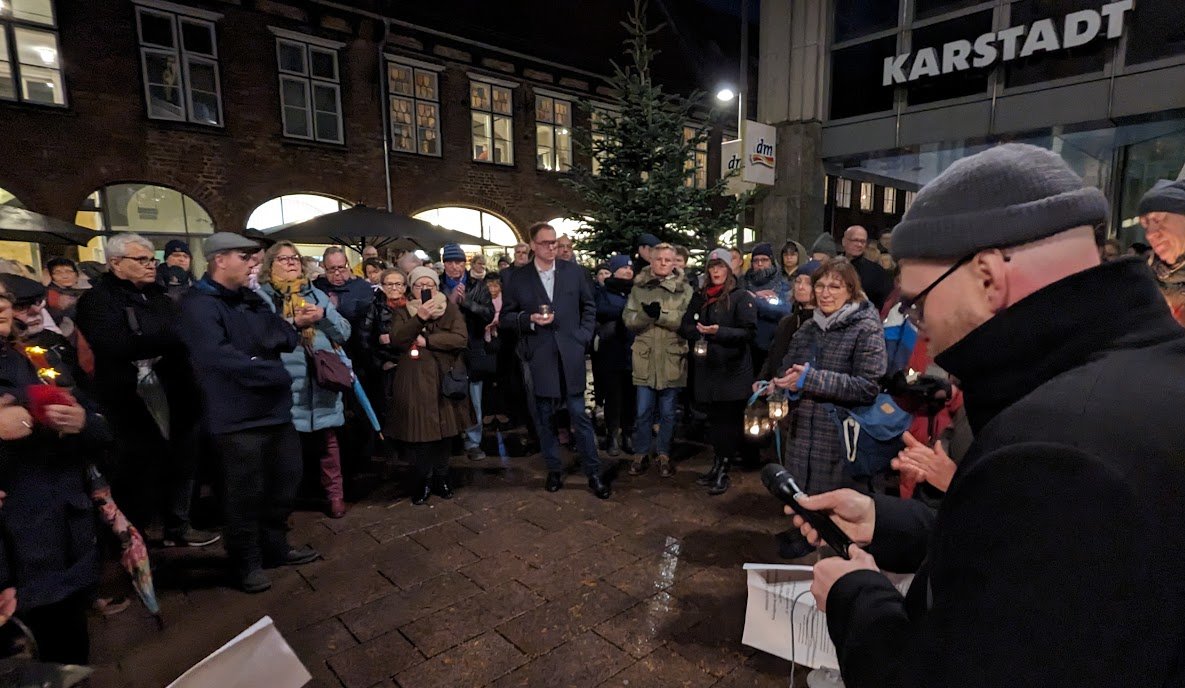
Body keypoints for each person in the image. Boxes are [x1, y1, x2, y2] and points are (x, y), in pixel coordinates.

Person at [787, 144, 1185, 688]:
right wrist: (888, 522)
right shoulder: (1140, 371)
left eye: (921, 301)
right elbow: (1017, 558)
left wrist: (855, 598)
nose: (921, 325)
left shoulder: (1058, 453)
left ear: (988, 277)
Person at [180, 233, 319, 593]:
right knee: (243, 494)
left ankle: (275, 547)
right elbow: (216, 357)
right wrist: (269, 368)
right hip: (236, 419)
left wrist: (291, 330)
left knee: (284, 484)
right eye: (246, 258)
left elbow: (281, 337)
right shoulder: (199, 305)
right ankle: (246, 562)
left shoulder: (251, 299)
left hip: (274, 412)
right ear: (220, 259)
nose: (253, 264)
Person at [75, 233, 216, 548]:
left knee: (183, 458)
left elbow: (182, 333)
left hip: (174, 390)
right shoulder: (98, 300)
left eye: (151, 259)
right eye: (141, 260)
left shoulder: (157, 296)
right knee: (140, 466)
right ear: (115, 263)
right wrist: (161, 340)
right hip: (127, 399)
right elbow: (116, 344)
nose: (151, 266)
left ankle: (178, 524)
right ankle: (138, 535)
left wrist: (156, 339)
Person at [0, 284, 112, 664]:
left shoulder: (31, 356)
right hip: (11, 552)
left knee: (68, 654)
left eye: (2, 296)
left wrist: (82, 421)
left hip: (61, 537)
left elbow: (99, 427)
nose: (0, 305)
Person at [769, 259, 887, 559]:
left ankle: (834, 548)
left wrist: (811, 379)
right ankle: (804, 534)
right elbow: (788, 367)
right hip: (802, 428)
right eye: (819, 285)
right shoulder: (809, 327)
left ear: (850, 289)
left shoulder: (866, 327)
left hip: (840, 434)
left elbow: (867, 385)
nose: (825, 292)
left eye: (834, 286)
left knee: (832, 500)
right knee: (802, 490)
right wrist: (779, 385)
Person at [501, 222, 610, 498]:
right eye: (547, 243)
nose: (553, 247)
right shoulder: (518, 278)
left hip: (570, 354)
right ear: (534, 245)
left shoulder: (573, 272)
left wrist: (583, 336)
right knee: (545, 418)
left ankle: (594, 472)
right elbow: (506, 318)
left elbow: (588, 305)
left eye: (555, 243)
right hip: (540, 355)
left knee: (580, 417)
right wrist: (530, 321)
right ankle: (553, 469)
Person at [256, 241, 352, 519]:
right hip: (287, 381)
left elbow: (344, 332)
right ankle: (284, 502)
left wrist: (322, 317)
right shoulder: (262, 299)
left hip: (321, 379)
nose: (290, 263)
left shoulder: (317, 295)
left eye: (294, 258)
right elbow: (261, 339)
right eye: (283, 259)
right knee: (286, 449)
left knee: (328, 443)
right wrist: (292, 325)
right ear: (270, 265)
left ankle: (335, 496)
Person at [383, 266, 472, 505]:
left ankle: (443, 477)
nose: (425, 289)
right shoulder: (403, 311)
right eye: (420, 286)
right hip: (414, 382)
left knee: (444, 433)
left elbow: (461, 338)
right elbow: (398, 338)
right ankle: (423, 479)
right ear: (412, 289)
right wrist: (419, 317)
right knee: (419, 435)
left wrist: (429, 340)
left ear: (436, 286)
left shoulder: (450, 309)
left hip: (444, 379)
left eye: (429, 285)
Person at [680, 248, 756, 496]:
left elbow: (747, 332)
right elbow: (685, 325)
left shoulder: (740, 296)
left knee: (728, 423)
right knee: (713, 422)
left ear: (729, 269)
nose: (716, 272)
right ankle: (716, 463)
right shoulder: (700, 297)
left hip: (731, 371)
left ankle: (724, 467)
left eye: (720, 266)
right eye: (712, 267)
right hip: (707, 370)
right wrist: (699, 331)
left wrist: (719, 332)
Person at [623, 243, 692, 477]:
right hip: (645, 357)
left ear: (674, 263)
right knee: (643, 410)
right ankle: (641, 453)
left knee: (668, 412)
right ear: (651, 262)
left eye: (667, 260)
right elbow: (628, 319)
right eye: (659, 259)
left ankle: (664, 453)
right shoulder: (638, 288)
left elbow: (684, 320)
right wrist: (644, 315)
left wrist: (659, 315)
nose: (663, 263)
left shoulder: (685, 289)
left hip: (671, 357)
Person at [439, 243, 494, 461]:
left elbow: (488, 314)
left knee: (475, 398)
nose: (455, 267)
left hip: (472, 349)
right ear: (444, 264)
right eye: (450, 262)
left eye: (459, 262)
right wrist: (450, 302)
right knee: (446, 395)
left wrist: (468, 303)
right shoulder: (437, 284)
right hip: (446, 350)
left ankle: (473, 441)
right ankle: (450, 438)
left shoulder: (478, 286)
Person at [593, 254, 635, 458]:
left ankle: (628, 434)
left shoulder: (636, 291)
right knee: (613, 397)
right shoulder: (604, 291)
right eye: (624, 268)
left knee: (630, 396)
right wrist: (626, 313)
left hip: (633, 350)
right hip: (612, 350)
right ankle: (612, 436)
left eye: (630, 268)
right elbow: (601, 310)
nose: (628, 271)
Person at [756, 260, 820, 383]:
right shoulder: (787, 322)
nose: (801, 287)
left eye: (808, 283)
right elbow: (773, 356)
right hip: (776, 389)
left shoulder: (820, 324)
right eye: (798, 281)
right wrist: (762, 379)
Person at [360, 268, 407, 414]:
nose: (394, 288)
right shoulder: (374, 307)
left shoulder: (412, 306)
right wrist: (380, 363)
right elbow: (364, 339)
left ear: (405, 287)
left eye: (398, 284)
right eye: (389, 284)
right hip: (385, 368)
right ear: (382, 286)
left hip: (409, 365)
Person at [744, 242, 791, 375]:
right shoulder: (744, 282)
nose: (759, 264)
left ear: (771, 261)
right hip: (746, 345)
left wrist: (755, 299)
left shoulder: (781, 284)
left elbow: (784, 311)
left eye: (764, 260)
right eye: (756, 260)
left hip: (770, 345)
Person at [841, 225, 892, 309]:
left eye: (863, 241)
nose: (859, 244)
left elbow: (884, 303)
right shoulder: (831, 267)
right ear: (844, 241)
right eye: (855, 240)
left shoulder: (877, 272)